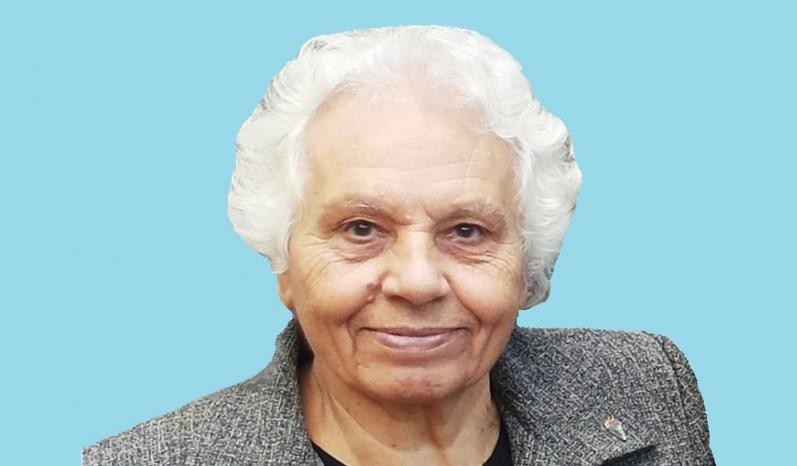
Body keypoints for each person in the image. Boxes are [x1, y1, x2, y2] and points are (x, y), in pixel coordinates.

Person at [83, 26, 715, 465]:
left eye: (467, 230)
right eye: (361, 228)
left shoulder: (645, 387)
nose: (416, 282)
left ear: (527, 262)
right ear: (284, 262)